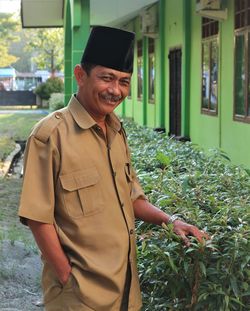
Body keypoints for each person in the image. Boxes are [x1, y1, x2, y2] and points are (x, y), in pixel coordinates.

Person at [18, 26, 209, 311]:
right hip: (80, 296)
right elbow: (37, 217)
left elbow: (130, 197)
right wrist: (66, 275)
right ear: (81, 76)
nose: (115, 90)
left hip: (125, 289)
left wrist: (171, 221)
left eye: (124, 81)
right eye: (106, 78)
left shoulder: (116, 131)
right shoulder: (50, 135)